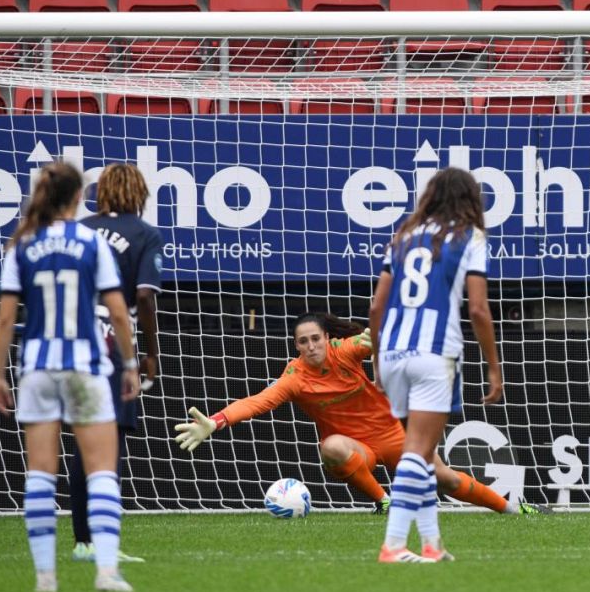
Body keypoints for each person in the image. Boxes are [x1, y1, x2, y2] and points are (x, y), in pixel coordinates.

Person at [172, 312, 539, 526]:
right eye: (303, 342)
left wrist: (377, 341)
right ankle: (384, 501)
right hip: (356, 450)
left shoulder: (343, 352)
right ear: (296, 346)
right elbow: (258, 402)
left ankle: (512, 508)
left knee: (443, 477)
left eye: (316, 338)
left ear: (327, 338)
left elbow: (370, 342)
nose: (311, 346)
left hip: (394, 436)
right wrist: (216, 422)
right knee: (330, 446)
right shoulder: (295, 378)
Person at [0, 161, 140, 592]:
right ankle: (107, 572)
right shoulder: (93, 243)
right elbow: (117, 312)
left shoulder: (22, 244)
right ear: (79, 198)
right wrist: (129, 365)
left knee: (40, 474)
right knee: (101, 473)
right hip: (86, 366)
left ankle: (44, 577)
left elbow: (4, 320)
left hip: (37, 367)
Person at [369, 166, 504, 563]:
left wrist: (378, 358)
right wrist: (494, 367)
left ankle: (432, 543)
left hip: (393, 352)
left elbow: (377, 305)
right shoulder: (471, 238)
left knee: (422, 455)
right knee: (417, 451)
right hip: (433, 353)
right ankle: (392, 545)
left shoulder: (404, 236)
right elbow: (478, 309)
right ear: (470, 200)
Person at [69, 164, 163, 565]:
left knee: (81, 438)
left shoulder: (78, 229)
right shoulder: (143, 234)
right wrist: (150, 352)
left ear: (100, 192)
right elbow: (143, 296)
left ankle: (82, 542)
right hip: (109, 341)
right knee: (108, 440)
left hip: (68, 339)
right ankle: (103, 541)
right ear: (139, 193)